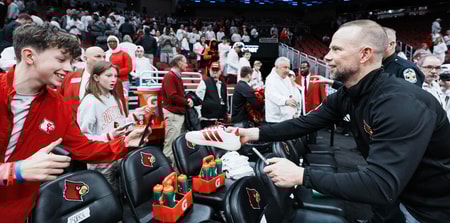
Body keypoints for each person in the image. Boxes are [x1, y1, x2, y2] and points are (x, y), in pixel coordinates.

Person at [237, 19, 450, 223]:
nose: (327, 57)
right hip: (395, 199)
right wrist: (253, 134)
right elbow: (305, 123)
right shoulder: (349, 94)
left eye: (337, 50)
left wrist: (302, 175)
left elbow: (380, 185)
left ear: (365, 54)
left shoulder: (400, 103)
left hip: (427, 211)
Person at [0, 23, 149, 222]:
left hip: (18, 212)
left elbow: (82, 147)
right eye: (61, 59)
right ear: (29, 56)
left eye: (71, 61)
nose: (69, 68)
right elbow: (19, 170)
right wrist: (16, 171)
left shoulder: (57, 104)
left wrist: (125, 143)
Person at [77, 61, 148, 192]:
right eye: (108, 76)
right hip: (102, 162)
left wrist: (134, 117)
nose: (113, 79)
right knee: (109, 202)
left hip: (119, 156)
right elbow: (83, 139)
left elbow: (119, 125)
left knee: (122, 198)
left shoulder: (115, 98)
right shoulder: (89, 102)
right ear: (96, 77)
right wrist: (109, 136)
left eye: (115, 76)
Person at [59, 46, 127, 117]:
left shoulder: (115, 81)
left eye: (104, 57)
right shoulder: (70, 78)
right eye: (98, 56)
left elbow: (121, 108)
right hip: (72, 123)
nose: (102, 60)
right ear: (85, 59)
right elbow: (58, 101)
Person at [158, 55, 194, 166]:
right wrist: (186, 102)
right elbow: (172, 96)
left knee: (177, 143)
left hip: (177, 114)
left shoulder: (175, 76)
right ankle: (167, 172)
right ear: (179, 63)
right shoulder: (170, 76)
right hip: (173, 114)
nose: (187, 65)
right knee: (170, 145)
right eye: (185, 62)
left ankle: (176, 170)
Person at [265, 57, 300, 123]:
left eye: (289, 68)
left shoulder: (286, 78)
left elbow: (291, 95)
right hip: (276, 120)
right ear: (276, 67)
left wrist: (294, 112)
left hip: (288, 118)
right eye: (285, 67)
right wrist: (286, 101)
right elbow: (271, 95)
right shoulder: (270, 79)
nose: (287, 70)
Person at [195, 62, 228, 128]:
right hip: (207, 119)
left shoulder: (223, 85)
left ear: (220, 71)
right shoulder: (204, 82)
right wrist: (199, 116)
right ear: (209, 70)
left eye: (217, 70)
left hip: (220, 119)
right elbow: (198, 100)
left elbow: (225, 100)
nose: (215, 72)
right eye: (213, 70)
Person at [106, 35, 133, 101]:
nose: (111, 43)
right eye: (109, 42)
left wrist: (116, 73)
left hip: (123, 81)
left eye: (113, 41)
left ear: (117, 42)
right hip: (109, 82)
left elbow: (129, 68)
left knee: (123, 100)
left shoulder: (124, 54)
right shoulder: (106, 54)